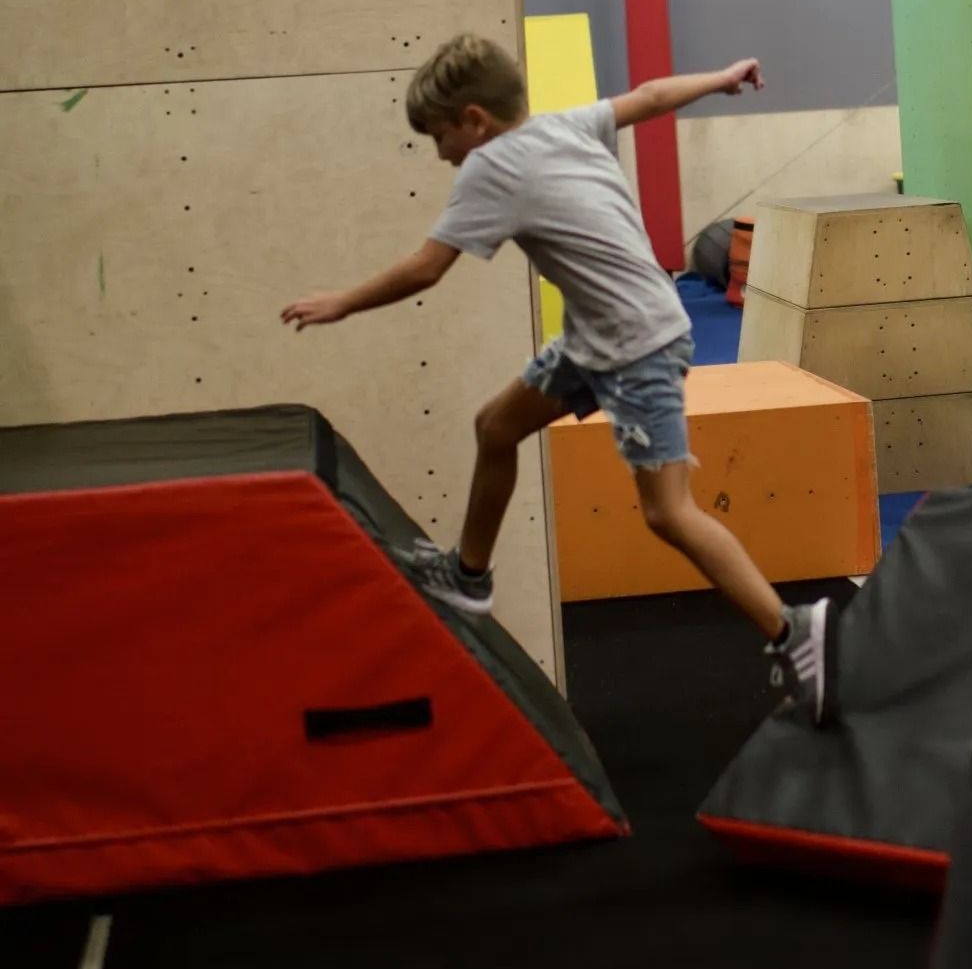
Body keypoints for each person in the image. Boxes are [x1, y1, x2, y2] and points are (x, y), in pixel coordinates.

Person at [280, 35, 834, 723]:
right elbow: (652, 96)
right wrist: (721, 77)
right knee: (497, 424)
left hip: (638, 346)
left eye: (440, 135)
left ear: (475, 120)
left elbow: (426, 269)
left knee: (668, 511)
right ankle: (470, 575)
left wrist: (341, 301)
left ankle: (791, 630)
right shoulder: (565, 124)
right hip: (597, 338)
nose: (440, 152)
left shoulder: (491, 170)